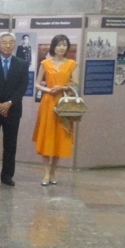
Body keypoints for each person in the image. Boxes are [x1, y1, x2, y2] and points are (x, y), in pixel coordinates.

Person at [0, 32, 30, 186]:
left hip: (13, 110)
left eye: (11, 42)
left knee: (10, 144)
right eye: (4, 42)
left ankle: (7, 176)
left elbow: (23, 86)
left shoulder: (22, 64)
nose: (8, 45)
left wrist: (9, 103)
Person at [33, 34, 79, 186]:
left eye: (64, 45)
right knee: (47, 136)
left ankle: (53, 171)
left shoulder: (72, 64)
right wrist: (48, 89)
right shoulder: (45, 63)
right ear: (53, 46)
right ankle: (46, 173)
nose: (61, 47)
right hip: (48, 102)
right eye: (59, 44)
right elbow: (37, 84)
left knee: (60, 137)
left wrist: (63, 87)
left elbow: (76, 84)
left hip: (64, 103)